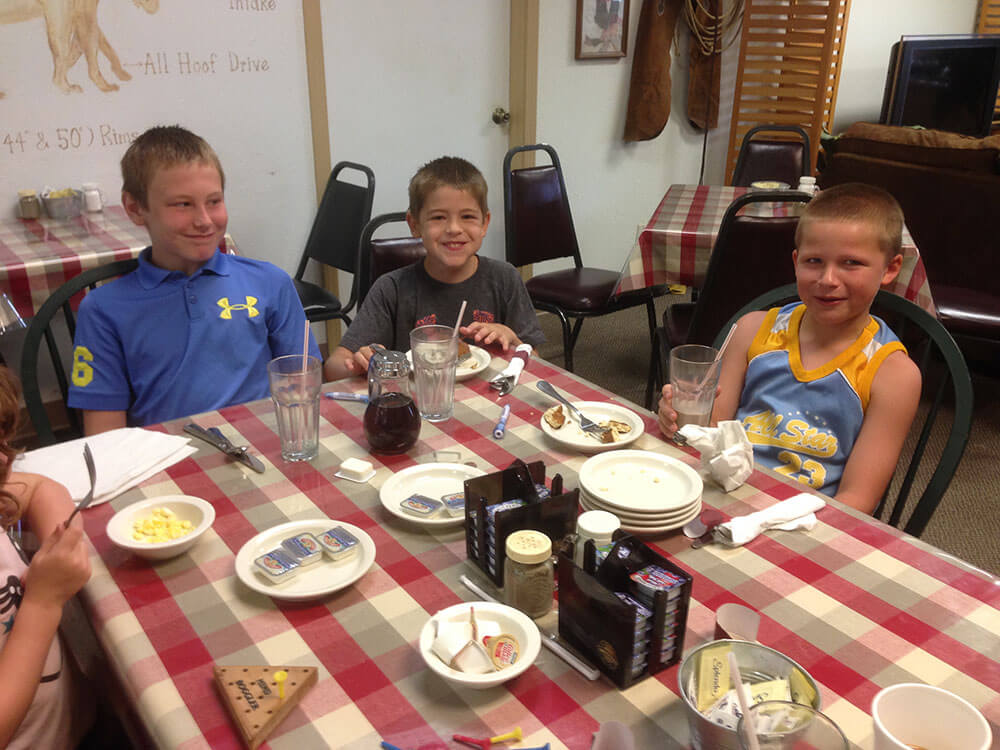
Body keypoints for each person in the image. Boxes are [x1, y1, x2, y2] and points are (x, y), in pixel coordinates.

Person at [657, 183, 922, 514]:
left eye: (851, 263)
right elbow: (711, 431)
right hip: (720, 494)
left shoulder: (894, 374)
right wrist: (676, 421)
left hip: (807, 520)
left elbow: (857, 501)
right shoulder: (753, 330)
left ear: (891, 268)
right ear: (796, 262)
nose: (828, 279)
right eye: (814, 261)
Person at [67, 125, 319, 433]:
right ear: (135, 208)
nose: (204, 221)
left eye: (214, 201)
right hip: (167, 457)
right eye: (183, 204)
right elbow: (105, 437)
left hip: (265, 445)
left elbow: (304, 389)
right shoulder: (103, 310)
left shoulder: (271, 283)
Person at [324, 156, 544, 381]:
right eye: (438, 217)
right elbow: (333, 368)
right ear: (415, 225)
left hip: (491, 395)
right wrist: (356, 365)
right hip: (419, 397)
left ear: (484, 223)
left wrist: (514, 342)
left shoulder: (505, 279)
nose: (454, 228)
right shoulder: (392, 289)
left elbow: (535, 361)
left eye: (467, 216)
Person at [0, 367, 94, 749]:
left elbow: (39, 488)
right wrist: (42, 602)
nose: (3, 460)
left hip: (72, 726)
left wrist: (61, 531)